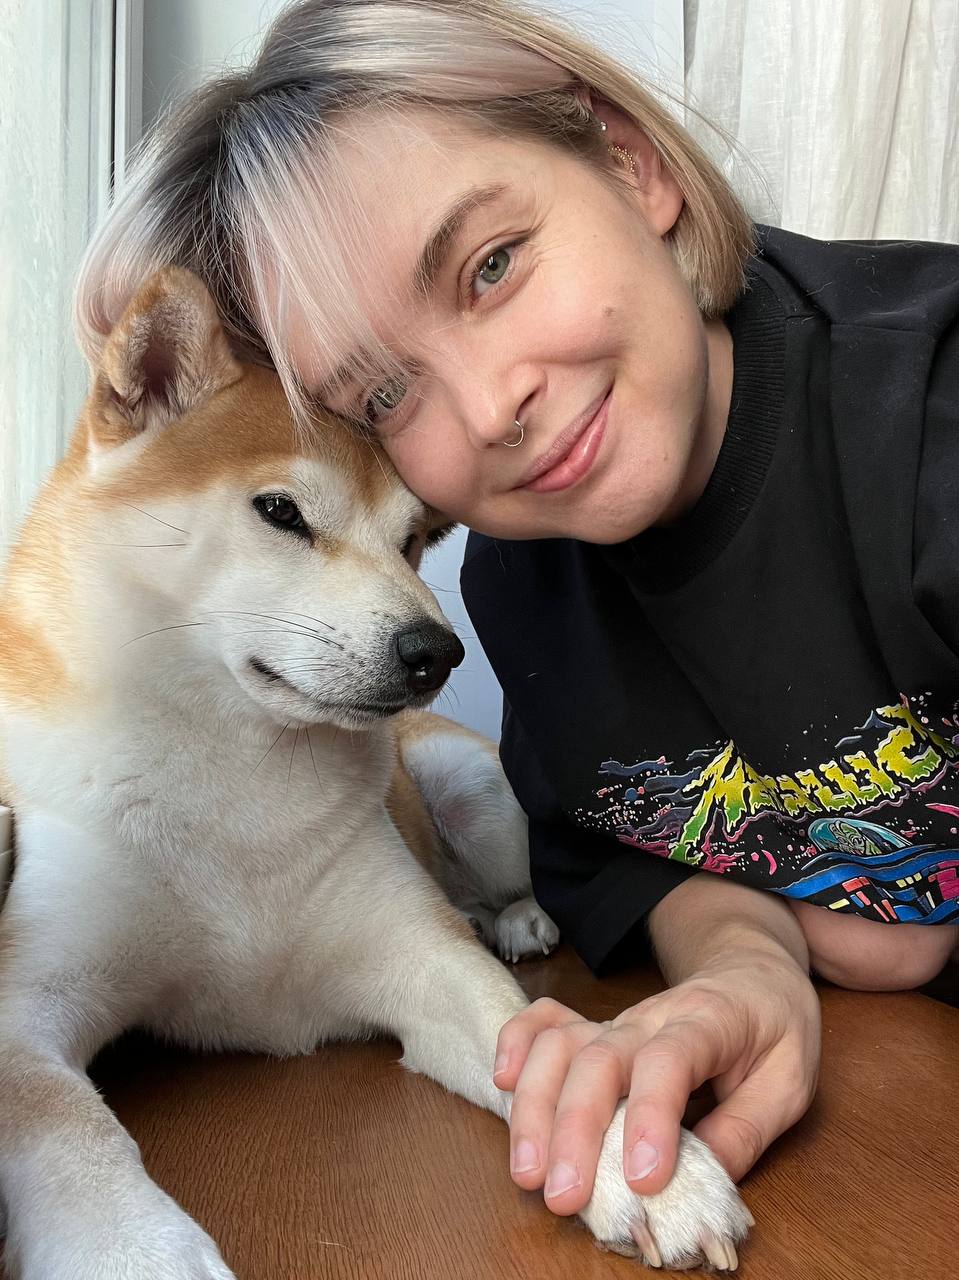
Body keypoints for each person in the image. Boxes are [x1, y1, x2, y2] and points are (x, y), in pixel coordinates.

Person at [74, 0, 959, 1225]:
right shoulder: (521, 581)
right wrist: (749, 963)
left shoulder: (925, 421)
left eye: (490, 265)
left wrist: (894, 934)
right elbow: (630, 850)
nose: (491, 408)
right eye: (384, 394)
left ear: (629, 163)